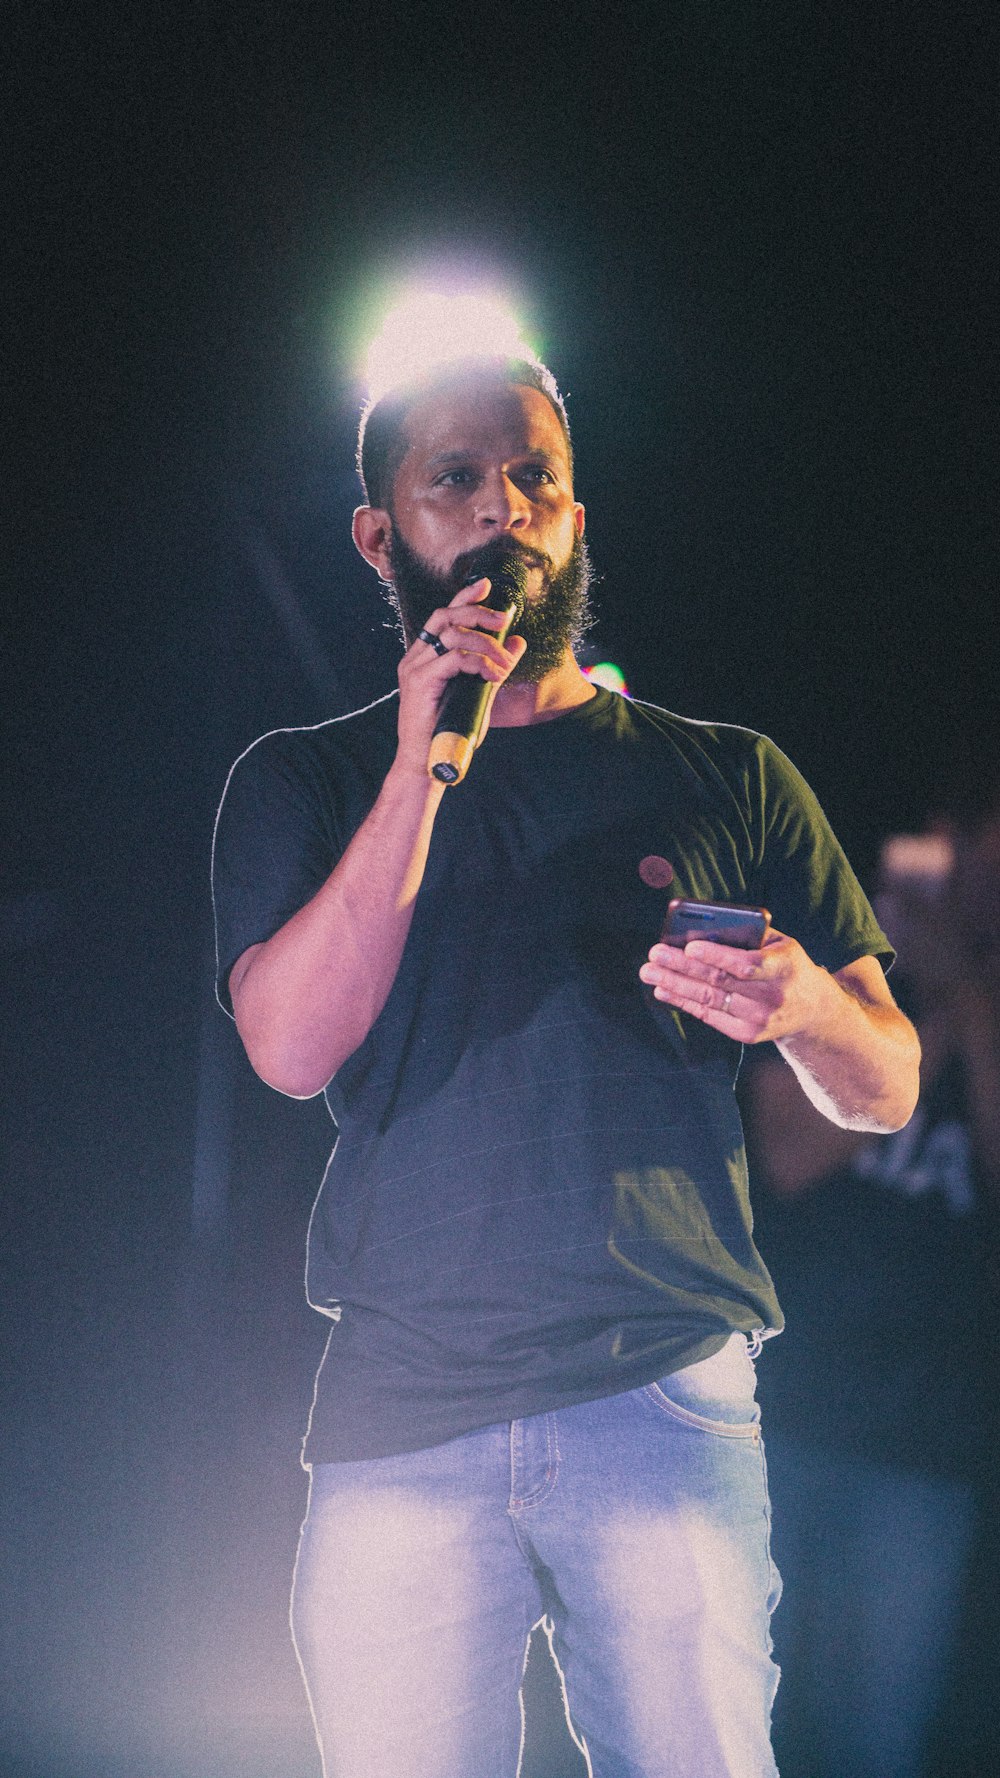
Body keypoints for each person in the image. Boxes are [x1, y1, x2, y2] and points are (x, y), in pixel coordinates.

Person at [211, 350, 920, 1778]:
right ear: (381, 534)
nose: (505, 507)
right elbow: (289, 1049)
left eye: (537, 476)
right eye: (456, 479)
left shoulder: (729, 771)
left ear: (578, 521)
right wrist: (421, 760)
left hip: (660, 1385)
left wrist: (801, 1005)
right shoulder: (307, 779)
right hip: (403, 1401)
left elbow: (886, 1082)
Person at [742, 799, 1000, 1778]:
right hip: (785, 1412)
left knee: (870, 1742)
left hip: (922, 1448)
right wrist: (918, 1008)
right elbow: (791, 1154)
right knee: (727, 1724)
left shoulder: (985, 999)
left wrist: (969, 996)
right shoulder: (845, 973)